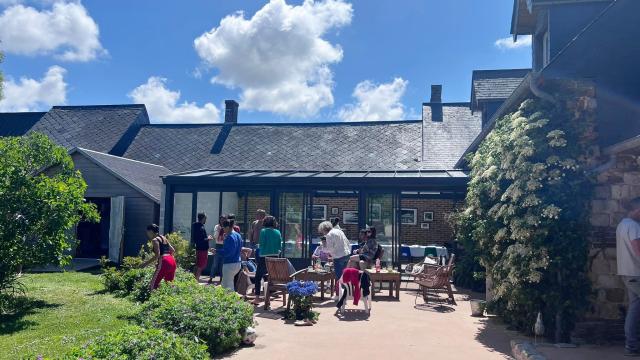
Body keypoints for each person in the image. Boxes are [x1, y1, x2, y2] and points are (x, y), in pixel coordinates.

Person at [617, 197, 640, 356]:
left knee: (634, 307)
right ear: (637, 210)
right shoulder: (633, 226)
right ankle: (631, 346)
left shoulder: (622, 224)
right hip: (636, 273)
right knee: (634, 309)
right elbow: (638, 250)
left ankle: (631, 345)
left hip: (627, 272)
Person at [253, 215, 282, 305]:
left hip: (264, 257)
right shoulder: (278, 232)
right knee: (269, 277)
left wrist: (258, 247)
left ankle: (257, 298)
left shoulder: (263, 231)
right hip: (275, 257)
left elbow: (261, 244)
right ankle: (268, 297)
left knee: (258, 277)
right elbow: (279, 247)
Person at [318, 220, 351, 296]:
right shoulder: (339, 231)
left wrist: (322, 246)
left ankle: (339, 295)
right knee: (343, 276)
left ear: (324, 229)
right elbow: (347, 242)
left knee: (338, 276)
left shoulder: (329, 235)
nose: (322, 233)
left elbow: (329, 249)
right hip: (346, 254)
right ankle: (344, 293)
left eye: (322, 231)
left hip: (338, 256)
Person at [141, 224, 176, 290]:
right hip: (172, 261)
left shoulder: (155, 240)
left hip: (164, 261)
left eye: (147, 232)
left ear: (151, 231)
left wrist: (145, 264)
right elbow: (173, 250)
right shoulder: (163, 237)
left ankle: (151, 299)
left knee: (152, 286)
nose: (147, 234)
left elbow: (157, 255)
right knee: (169, 286)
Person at [213, 217, 243, 290]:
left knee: (227, 285)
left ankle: (231, 300)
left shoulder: (230, 237)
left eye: (223, 227)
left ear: (227, 227)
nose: (223, 229)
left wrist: (217, 251)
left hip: (229, 264)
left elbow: (228, 252)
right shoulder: (238, 235)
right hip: (237, 263)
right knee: (227, 283)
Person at [191, 212, 211, 281]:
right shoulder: (200, 227)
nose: (206, 220)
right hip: (202, 250)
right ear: (203, 218)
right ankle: (196, 281)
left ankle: (194, 280)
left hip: (199, 249)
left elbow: (197, 238)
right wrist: (208, 238)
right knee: (200, 266)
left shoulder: (196, 226)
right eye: (205, 218)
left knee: (198, 265)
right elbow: (200, 239)